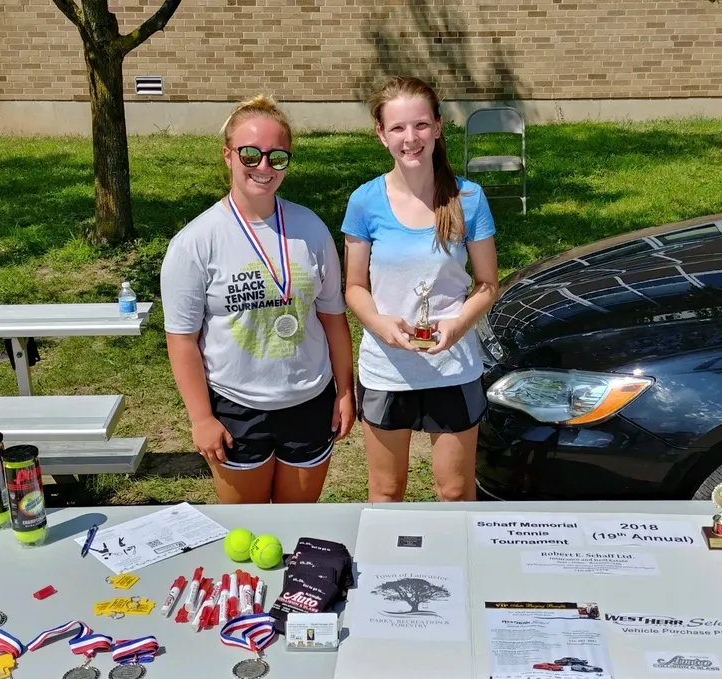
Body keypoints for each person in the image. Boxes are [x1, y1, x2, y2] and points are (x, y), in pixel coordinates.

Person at [161, 95, 355, 504]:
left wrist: (343, 392)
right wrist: (201, 418)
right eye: (251, 154)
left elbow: (334, 319)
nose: (263, 167)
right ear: (228, 156)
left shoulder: (311, 229)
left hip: (310, 401)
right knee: (247, 534)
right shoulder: (196, 242)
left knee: (296, 530)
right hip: (236, 407)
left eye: (277, 157)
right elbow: (181, 340)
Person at [341, 76, 499, 503]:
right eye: (397, 128)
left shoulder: (469, 198)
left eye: (420, 125)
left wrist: (457, 326)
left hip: (453, 367)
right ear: (381, 134)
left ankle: (460, 569)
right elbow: (354, 287)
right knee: (388, 492)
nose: (410, 138)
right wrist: (379, 323)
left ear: (438, 126)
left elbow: (487, 285)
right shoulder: (364, 202)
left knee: (454, 492)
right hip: (387, 368)